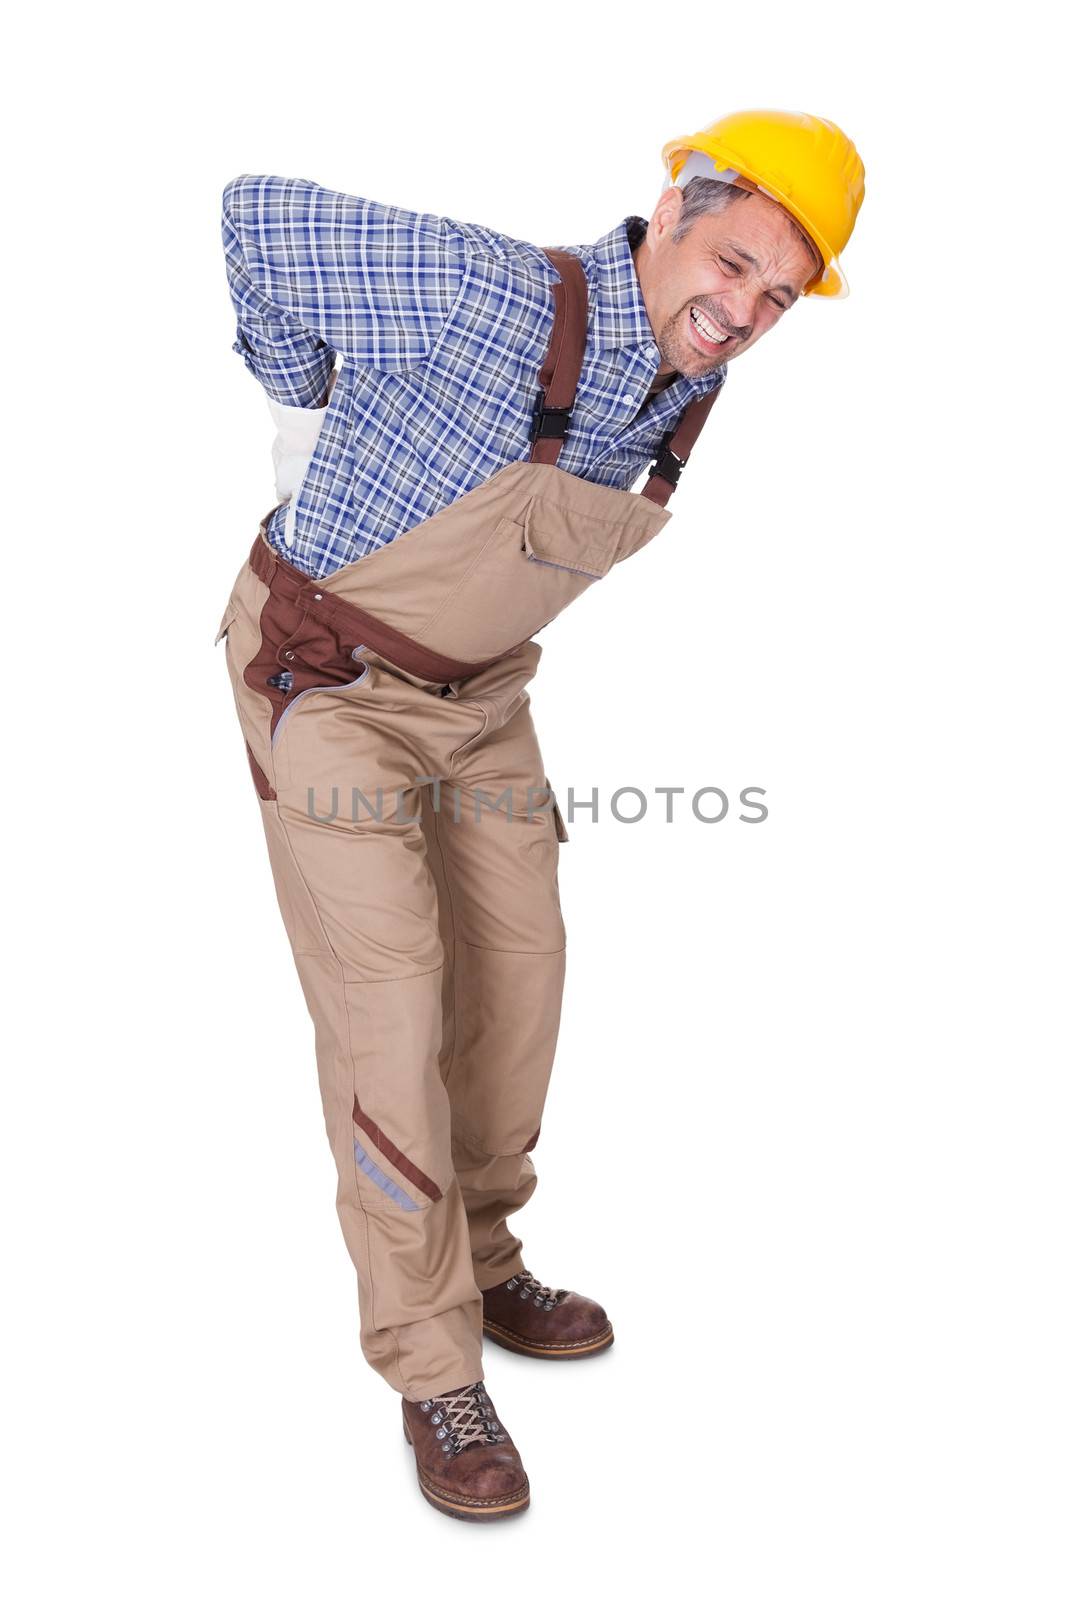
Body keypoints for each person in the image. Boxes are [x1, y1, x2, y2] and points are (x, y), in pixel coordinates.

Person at [216, 109, 865, 1522]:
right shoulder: (481, 288)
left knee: (519, 974)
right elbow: (252, 212)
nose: (744, 312)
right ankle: (431, 1363)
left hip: (482, 697)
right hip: (326, 681)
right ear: (677, 205)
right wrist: (299, 385)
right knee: (392, 1008)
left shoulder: (693, 378)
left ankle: (487, 1257)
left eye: (780, 295)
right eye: (736, 262)